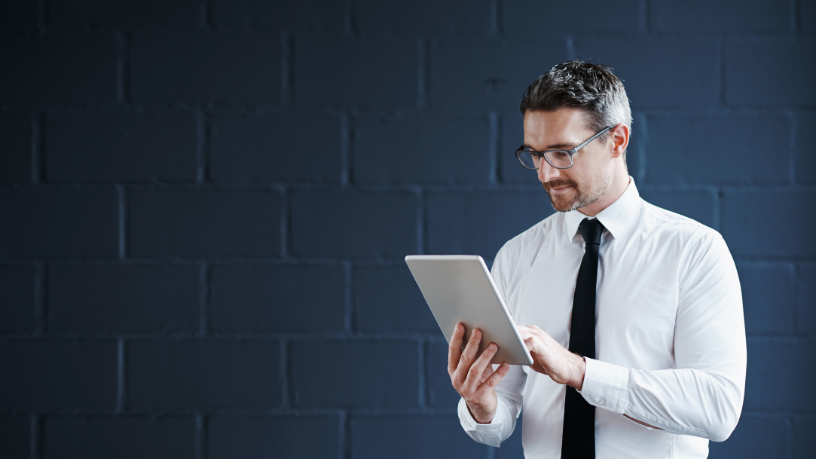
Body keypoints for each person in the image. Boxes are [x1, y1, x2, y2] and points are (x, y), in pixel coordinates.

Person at [448, 60, 746, 458]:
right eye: (534, 154)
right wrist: (481, 406)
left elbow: (718, 408)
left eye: (562, 152)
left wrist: (579, 372)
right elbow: (498, 423)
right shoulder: (517, 256)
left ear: (617, 140)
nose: (545, 174)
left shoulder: (694, 251)